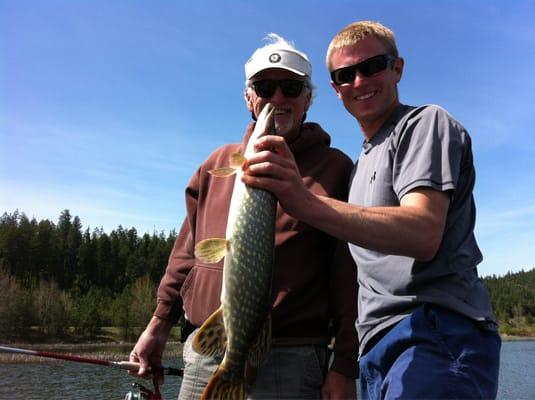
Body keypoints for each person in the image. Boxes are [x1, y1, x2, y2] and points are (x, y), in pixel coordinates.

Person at [242, 21, 501, 399]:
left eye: (373, 66)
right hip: (378, 348)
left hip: (436, 332)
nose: (360, 82)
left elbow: (423, 232)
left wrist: (305, 201)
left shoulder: (423, 123)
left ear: (397, 68)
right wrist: (348, 362)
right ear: (335, 89)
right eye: (346, 74)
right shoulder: (361, 163)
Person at [129, 33, 359, 400]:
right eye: (265, 87)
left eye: (291, 87)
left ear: (308, 99)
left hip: (294, 358)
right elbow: (186, 253)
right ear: (249, 98)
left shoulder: (335, 169)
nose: (278, 98)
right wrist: (159, 323)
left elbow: (349, 275)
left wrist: (345, 363)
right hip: (205, 350)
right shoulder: (217, 164)